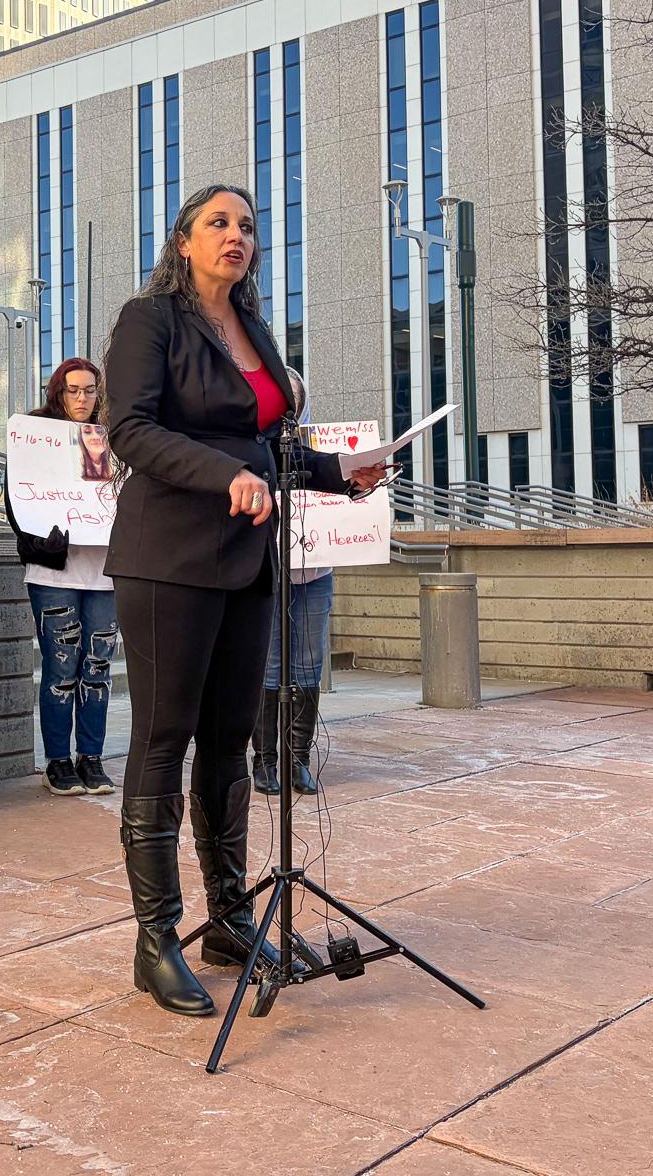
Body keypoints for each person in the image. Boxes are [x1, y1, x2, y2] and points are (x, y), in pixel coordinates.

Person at [103, 185, 386, 1017]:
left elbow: (265, 446)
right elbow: (131, 430)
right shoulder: (147, 319)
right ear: (183, 241)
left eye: (248, 226)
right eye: (219, 223)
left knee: (230, 743)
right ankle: (156, 939)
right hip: (169, 556)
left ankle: (228, 917)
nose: (237, 236)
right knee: (164, 740)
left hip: (248, 560)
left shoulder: (255, 330)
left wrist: (341, 474)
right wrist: (224, 475)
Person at [4, 358, 120, 797]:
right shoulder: (38, 435)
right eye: (72, 390)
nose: (81, 398)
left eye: (89, 390)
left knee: (98, 667)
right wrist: (35, 539)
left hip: (106, 569)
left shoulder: (115, 436)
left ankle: (91, 757)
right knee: (61, 666)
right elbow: (18, 498)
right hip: (54, 570)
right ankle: (57, 760)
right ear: (57, 392)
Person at [251, 370, 332, 798]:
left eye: (294, 401)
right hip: (267, 568)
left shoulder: (320, 447)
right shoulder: (253, 450)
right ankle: (264, 760)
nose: (287, 409)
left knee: (308, 664)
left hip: (315, 571)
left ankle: (297, 758)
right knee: (269, 664)